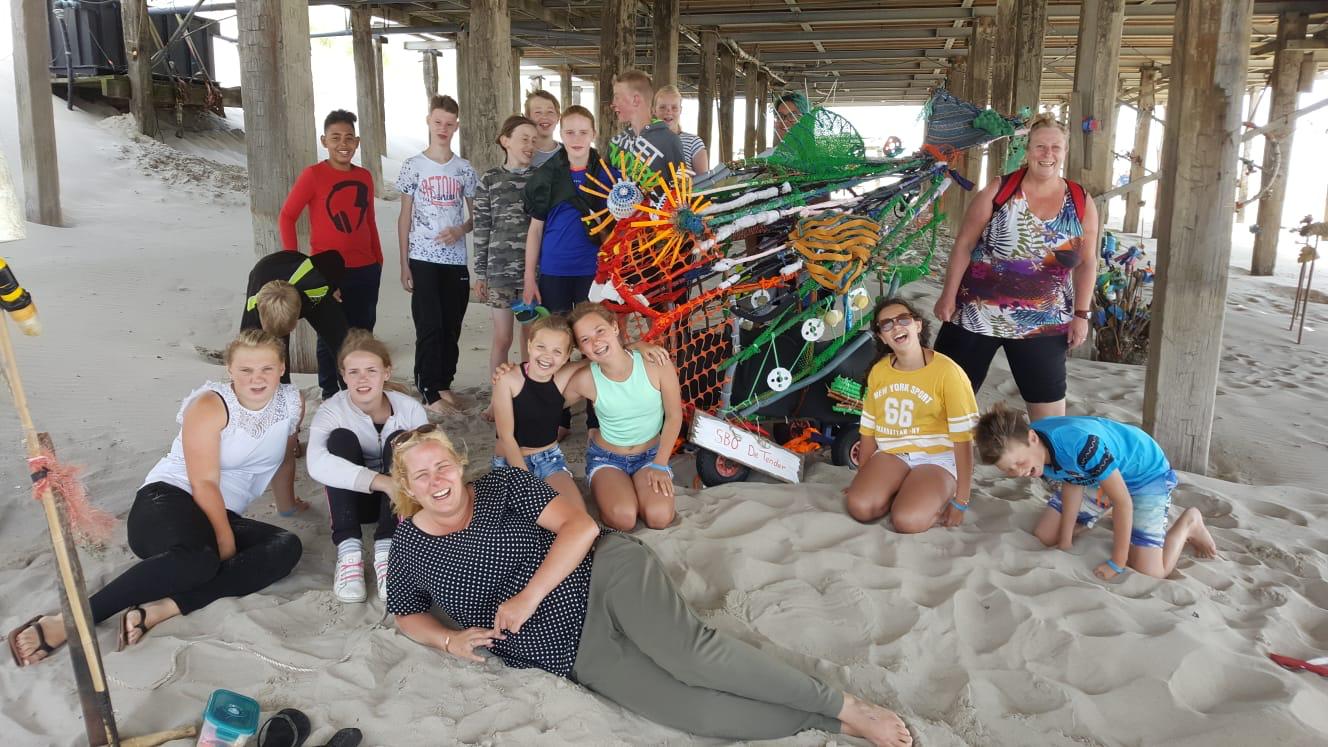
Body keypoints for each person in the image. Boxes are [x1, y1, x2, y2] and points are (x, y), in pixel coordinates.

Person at [384, 426, 913, 747]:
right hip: (570, 650)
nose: (436, 481)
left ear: (458, 463)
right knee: (693, 713)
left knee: (692, 656)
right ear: (407, 488)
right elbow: (405, 612)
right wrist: (447, 640)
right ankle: (825, 723)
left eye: (441, 466)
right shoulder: (409, 545)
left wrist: (526, 598)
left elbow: (582, 527)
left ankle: (844, 704)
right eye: (421, 476)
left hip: (602, 574)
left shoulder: (501, 486)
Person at [7, 330, 304, 667]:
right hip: (167, 501)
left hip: (223, 512)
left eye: (266, 368)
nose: (256, 378)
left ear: (281, 368)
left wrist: (288, 505)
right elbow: (203, 481)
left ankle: (164, 608)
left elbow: (283, 457)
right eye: (246, 370)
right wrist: (225, 539)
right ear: (230, 370)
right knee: (200, 559)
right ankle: (71, 620)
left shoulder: (291, 402)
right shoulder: (211, 405)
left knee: (285, 546)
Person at [932, 114, 1099, 421]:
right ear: (1027, 149)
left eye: (1055, 147)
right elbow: (964, 244)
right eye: (1040, 147)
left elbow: (1088, 262)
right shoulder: (1000, 189)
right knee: (945, 401)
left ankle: (1049, 467)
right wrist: (948, 296)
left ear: (1064, 151)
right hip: (976, 314)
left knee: (1050, 416)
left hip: (1044, 321)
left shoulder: (1080, 200)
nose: (1047, 154)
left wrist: (1081, 314)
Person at [975, 403, 1219, 580]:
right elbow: (1072, 480)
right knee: (1046, 534)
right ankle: (1097, 516)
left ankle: (1190, 523)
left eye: (1018, 463)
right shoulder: (1034, 455)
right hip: (1096, 473)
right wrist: (1065, 541)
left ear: (1032, 437)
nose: (1018, 472)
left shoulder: (1080, 446)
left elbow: (1123, 501)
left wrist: (1117, 562)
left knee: (1152, 572)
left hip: (1145, 474)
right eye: (1008, 470)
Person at [307, 331, 428, 603]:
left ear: (386, 372)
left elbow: (427, 460)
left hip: (399, 503)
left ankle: (386, 551)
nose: (363, 379)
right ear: (343, 375)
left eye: (371, 370)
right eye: (354, 371)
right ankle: (349, 552)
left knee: (401, 441)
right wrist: (383, 482)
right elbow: (316, 464)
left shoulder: (409, 410)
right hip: (353, 500)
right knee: (339, 439)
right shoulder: (331, 410)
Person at [844, 298, 979, 533]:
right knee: (860, 507)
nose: (896, 327)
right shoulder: (880, 371)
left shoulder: (948, 372)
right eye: (886, 325)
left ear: (918, 325)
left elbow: (964, 440)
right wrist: (862, 477)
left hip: (937, 458)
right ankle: (902, 487)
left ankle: (923, 493)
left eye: (903, 320)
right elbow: (867, 432)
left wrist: (962, 500)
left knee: (907, 521)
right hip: (893, 453)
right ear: (882, 337)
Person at [279, 110, 384, 378]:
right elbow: (287, 216)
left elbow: (369, 221)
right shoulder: (313, 175)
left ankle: (358, 390)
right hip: (327, 272)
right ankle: (329, 393)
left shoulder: (364, 177)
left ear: (357, 142)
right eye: (336, 137)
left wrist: (378, 260)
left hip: (366, 269)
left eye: (349, 138)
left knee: (362, 334)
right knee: (329, 336)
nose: (343, 144)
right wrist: (298, 267)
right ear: (324, 141)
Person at [396, 95, 479, 415]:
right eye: (438, 122)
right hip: (422, 257)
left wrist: (461, 230)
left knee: (451, 325)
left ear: (456, 126)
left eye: (449, 123)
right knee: (429, 325)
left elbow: (475, 218)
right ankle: (429, 389)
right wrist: (404, 263)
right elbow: (404, 217)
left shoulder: (464, 169)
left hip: (455, 259)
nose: (443, 128)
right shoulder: (413, 166)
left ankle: (444, 383)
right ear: (428, 122)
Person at [566, 302, 683, 531]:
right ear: (581, 348)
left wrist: (659, 465)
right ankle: (610, 487)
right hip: (608, 458)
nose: (596, 341)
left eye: (600, 331)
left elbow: (674, 417)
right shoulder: (585, 378)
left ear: (615, 327)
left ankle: (635, 487)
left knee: (659, 517)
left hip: (650, 456)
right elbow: (545, 398)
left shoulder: (655, 362)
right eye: (585, 340)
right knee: (624, 518)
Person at [521, 105, 613, 316]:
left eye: (583, 132)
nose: (576, 139)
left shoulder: (608, 175)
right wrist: (529, 278)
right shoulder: (546, 176)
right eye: (569, 133)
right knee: (554, 341)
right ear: (560, 134)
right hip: (554, 270)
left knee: (592, 342)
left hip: (594, 271)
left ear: (593, 134)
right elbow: (535, 230)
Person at [474, 115, 539, 402]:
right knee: (502, 338)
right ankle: (497, 397)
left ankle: (531, 393)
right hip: (498, 273)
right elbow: (482, 227)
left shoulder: (540, 179)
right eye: (524, 138)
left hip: (532, 274)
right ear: (505, 140)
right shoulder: (490, 179)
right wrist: (480, 274)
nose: (530, 145)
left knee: (531, 337)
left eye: (534, 140)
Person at [490, 315, 582, 509]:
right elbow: (507, 438)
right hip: (510, 460)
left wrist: (642, 347)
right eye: (541, 347)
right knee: (525, 520)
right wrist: (527, 483)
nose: (548, 356)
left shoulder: (562, 376)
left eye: (557, 351)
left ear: (566, 357)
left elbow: (601, 358)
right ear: (529, 345)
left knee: (575, 515)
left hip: (548, 459)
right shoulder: (508, 379)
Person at [240, 250, 349, 400]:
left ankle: (352, 395)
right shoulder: (253, 314)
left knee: (342, 341)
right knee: (274, 354)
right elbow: (244, 355)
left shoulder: (317, 279)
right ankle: (282, 400)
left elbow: (335, 258)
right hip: (264, 279)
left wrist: (332, 286)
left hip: (306, 286)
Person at [608, 69, 686, 180]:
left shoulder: (669, 141)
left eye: (617, 97)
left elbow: (681, 189)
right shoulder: (615, 143)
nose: (613, 104)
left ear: (635, 100)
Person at [652, 85, 709, 175]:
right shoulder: (644, 142)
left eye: (674, 107)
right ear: (654, 110)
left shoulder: (693, 142)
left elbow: (705, 181)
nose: (668, 112)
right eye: (662, 107)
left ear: (680, 110)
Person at [525, 90, 562, 168]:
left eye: (550, 112)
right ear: (527, 118)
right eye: (538, 112)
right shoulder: (521, 153)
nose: (545, 116)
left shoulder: (569, 154)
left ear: (558, 117)